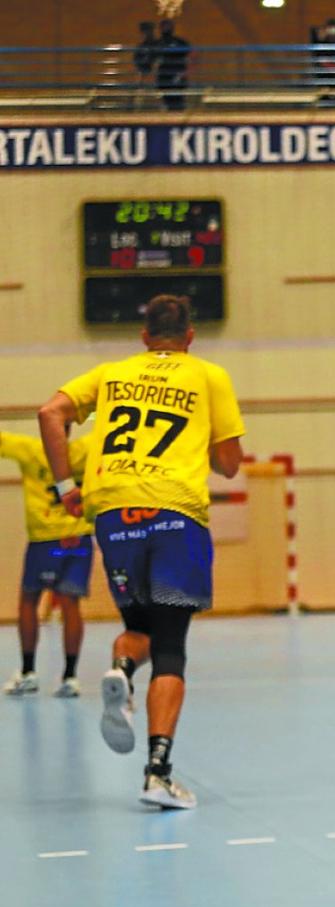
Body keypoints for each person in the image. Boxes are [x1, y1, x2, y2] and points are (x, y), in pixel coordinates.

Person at [38, 295, 245, 809]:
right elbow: (229, 463)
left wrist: (65, 486)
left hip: (113, 513)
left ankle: (122, 671)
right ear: (190, 336)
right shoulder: (208, 376)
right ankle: (158, 773)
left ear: (144, 336)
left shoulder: (110, 373)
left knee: (140, 627)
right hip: (174, 513)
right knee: (170, 644)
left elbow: (50, 413)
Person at [0, 425, 94, 698]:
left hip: (45, 541)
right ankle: (70, 677)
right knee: (71, 604)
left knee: (29, 600)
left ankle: (28, 672)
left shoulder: (31, 451)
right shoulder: (85, 450)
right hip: (78, 540)